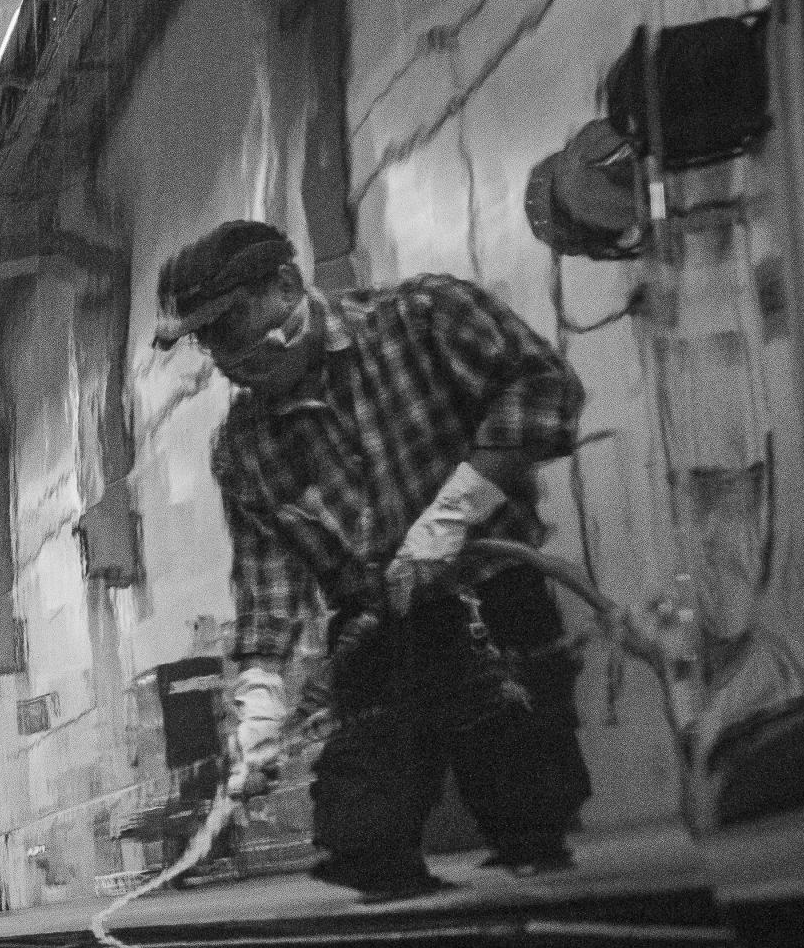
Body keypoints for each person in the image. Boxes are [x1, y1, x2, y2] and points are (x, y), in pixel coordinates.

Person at [153, 218, 593, 896]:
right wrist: (260, 699)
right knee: (364, 839)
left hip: (493, 595)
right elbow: (267, 585)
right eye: (207, 338)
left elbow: (541, 385)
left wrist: (456, 511)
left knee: (530, 806)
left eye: (230, 321)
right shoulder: (242, 447)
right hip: (377, 630)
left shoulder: (424, 319)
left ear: (288, 285)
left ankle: (536, 861)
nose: (223, 352)